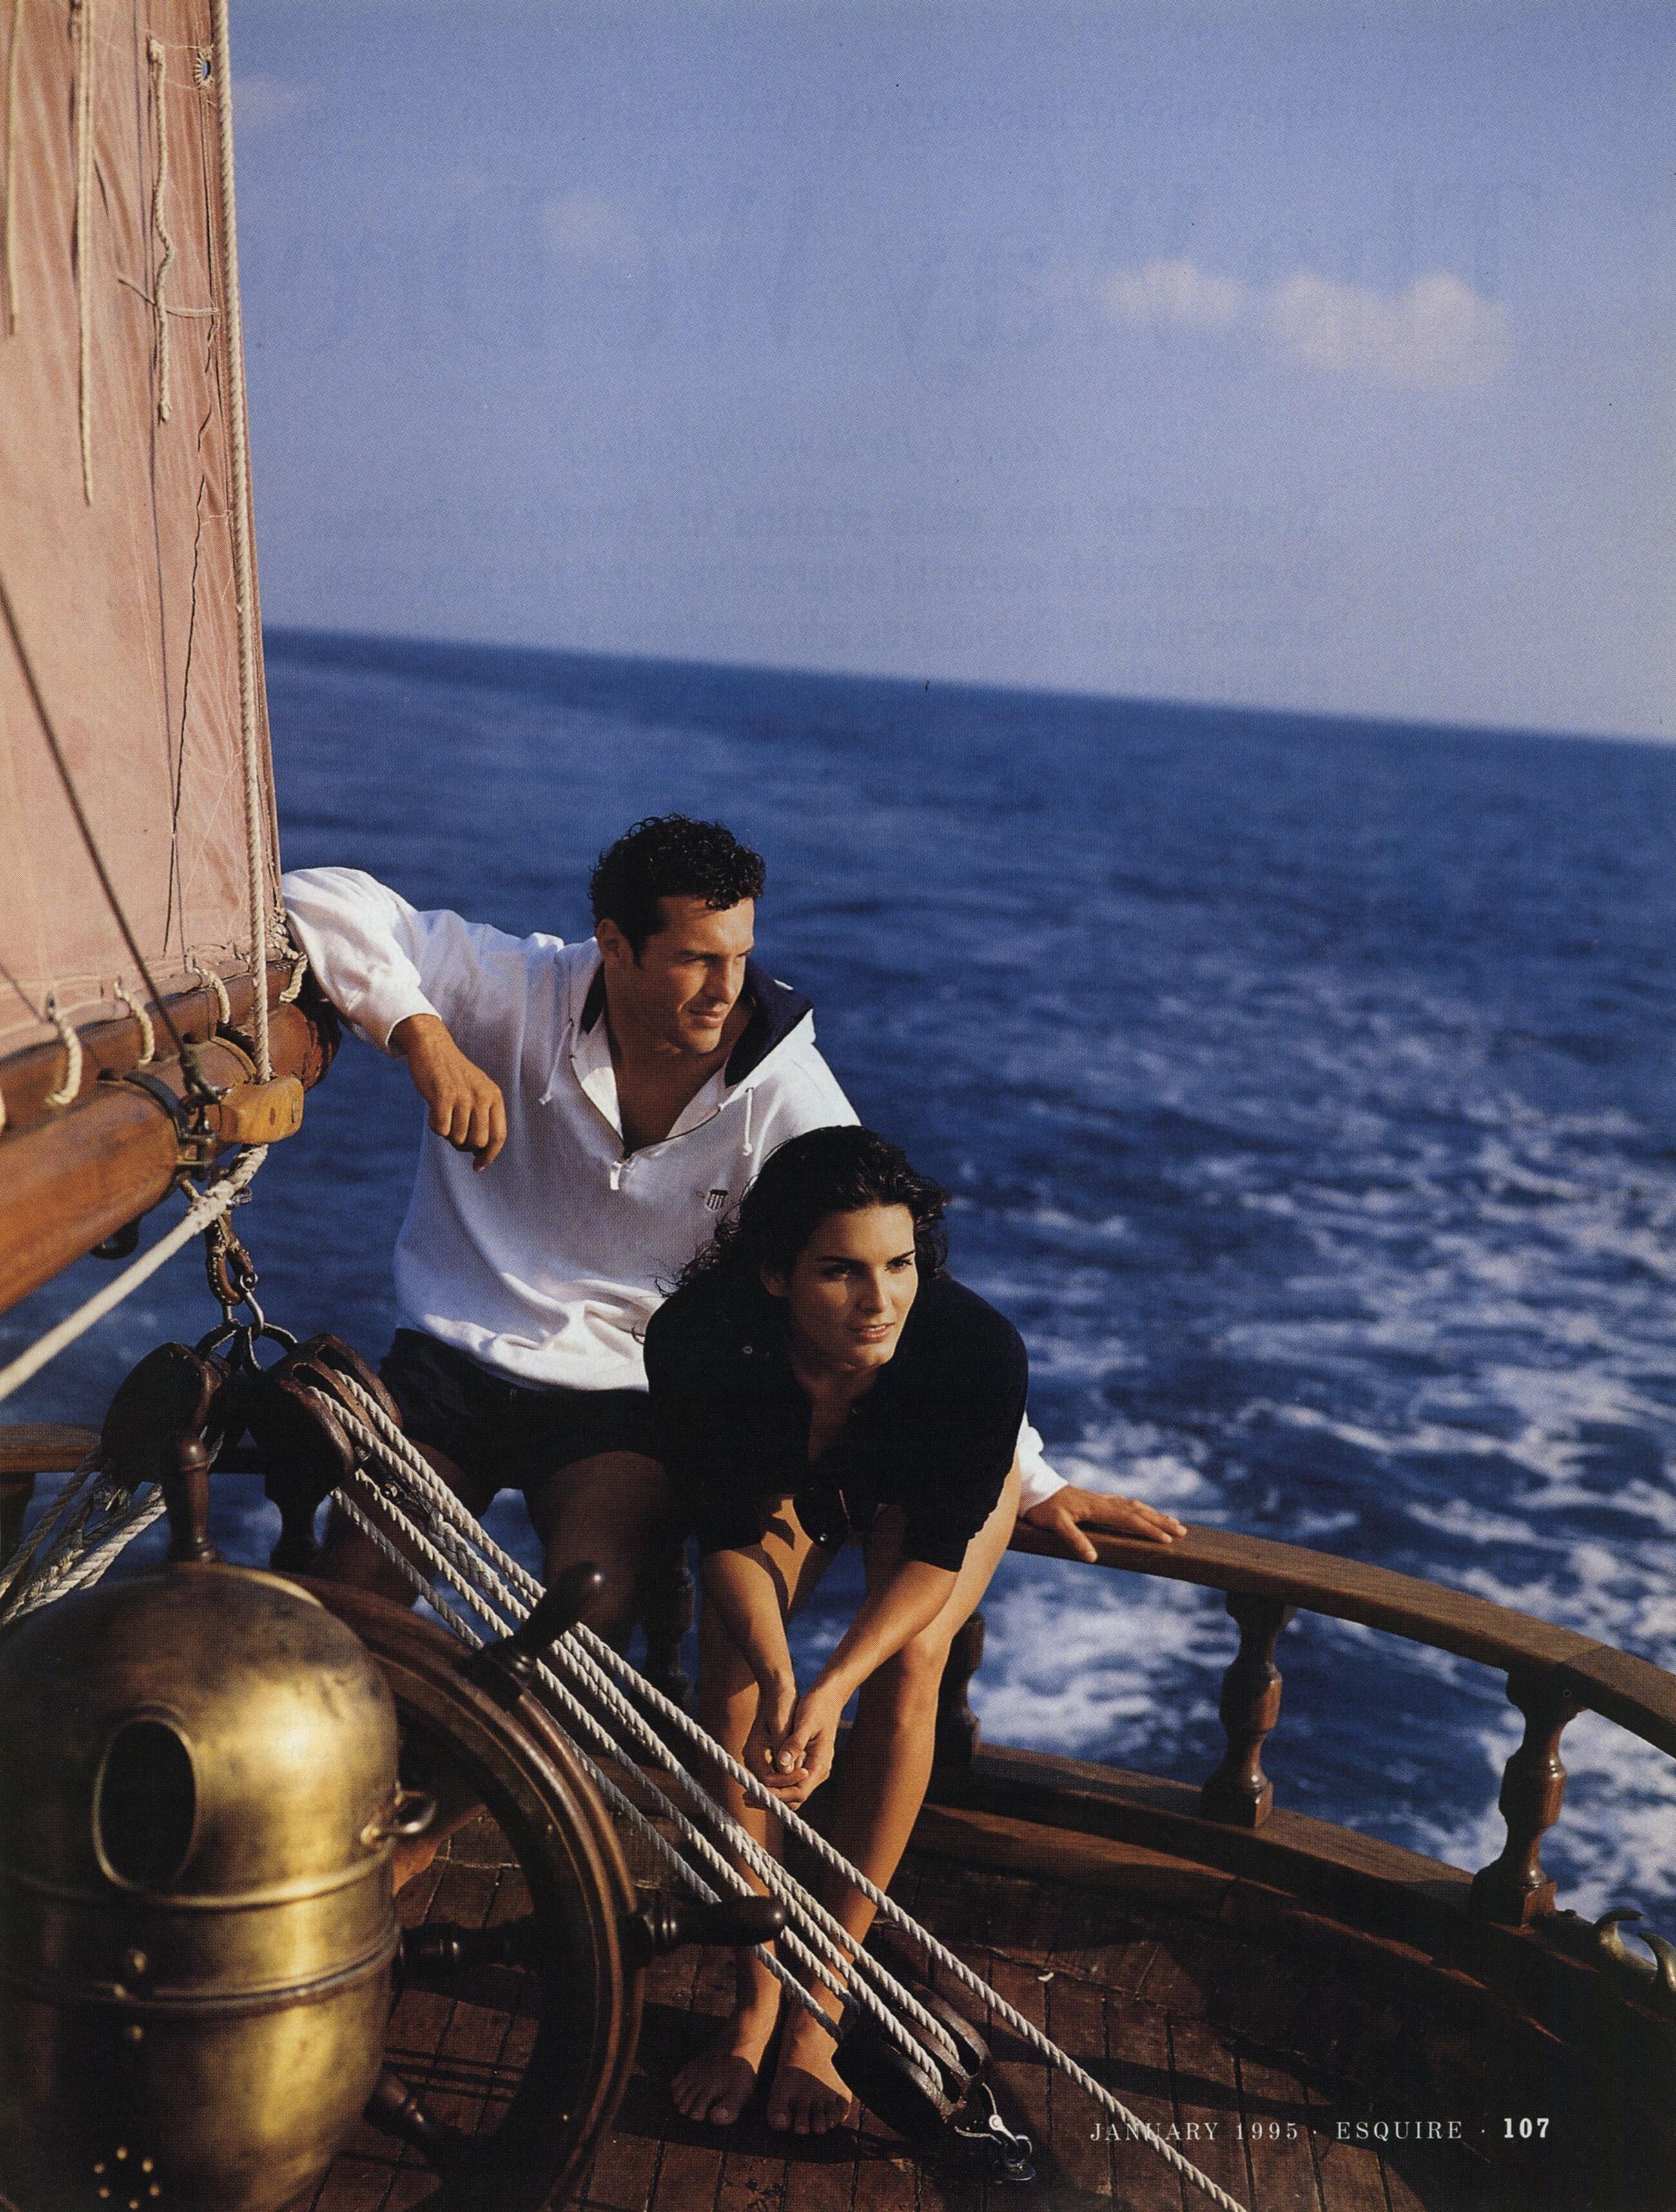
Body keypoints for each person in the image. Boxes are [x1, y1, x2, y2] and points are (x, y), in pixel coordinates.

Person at [282, 815, 1176, 1627]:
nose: (725, 988)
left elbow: (905, 1284)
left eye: (739, 956)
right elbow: (313, 896)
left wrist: (1034, 1478)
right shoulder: (515, 988)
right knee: (352, 1593)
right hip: (453, 1364)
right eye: (695, 959)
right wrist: (425, 1039)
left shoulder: (786, 1094)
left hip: (623, 1389)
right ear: (614, 944)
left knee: (591, 1606)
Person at [643, 1126, 1184, 2135]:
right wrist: (781, 1675)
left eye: (899, 1266)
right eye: (840, 1271)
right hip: (797, 1476)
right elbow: (727, 1538)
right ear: (775, 1274)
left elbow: (933, 1559)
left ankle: (821, 2003)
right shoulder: (700, 1338)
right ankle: (754, 2001)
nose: (880, 1299)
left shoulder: (974, 1353)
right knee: (732, 1672)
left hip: (921, 1491)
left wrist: (830, 1690)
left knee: (913, 1667)